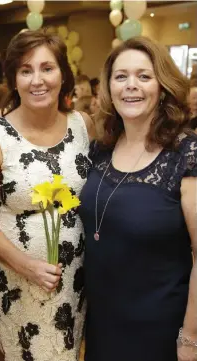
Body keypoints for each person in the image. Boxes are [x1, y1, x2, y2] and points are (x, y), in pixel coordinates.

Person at [0, 29, 95, 361]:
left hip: (74, 279)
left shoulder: (84, 125)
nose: (37, 80)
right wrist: (26, 265)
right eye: (26, 70)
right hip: (19, 281)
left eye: (47, 68)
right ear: (13, 79)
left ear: (63, 75)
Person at [79, 36, 197, 361]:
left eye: (144, 76)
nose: (131, 86)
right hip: (102, 325)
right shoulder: (100, 150)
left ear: (163, 86)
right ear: (109, 88)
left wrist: (191, 338)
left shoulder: (187, 155)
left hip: (161, 329)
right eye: (121, 77)